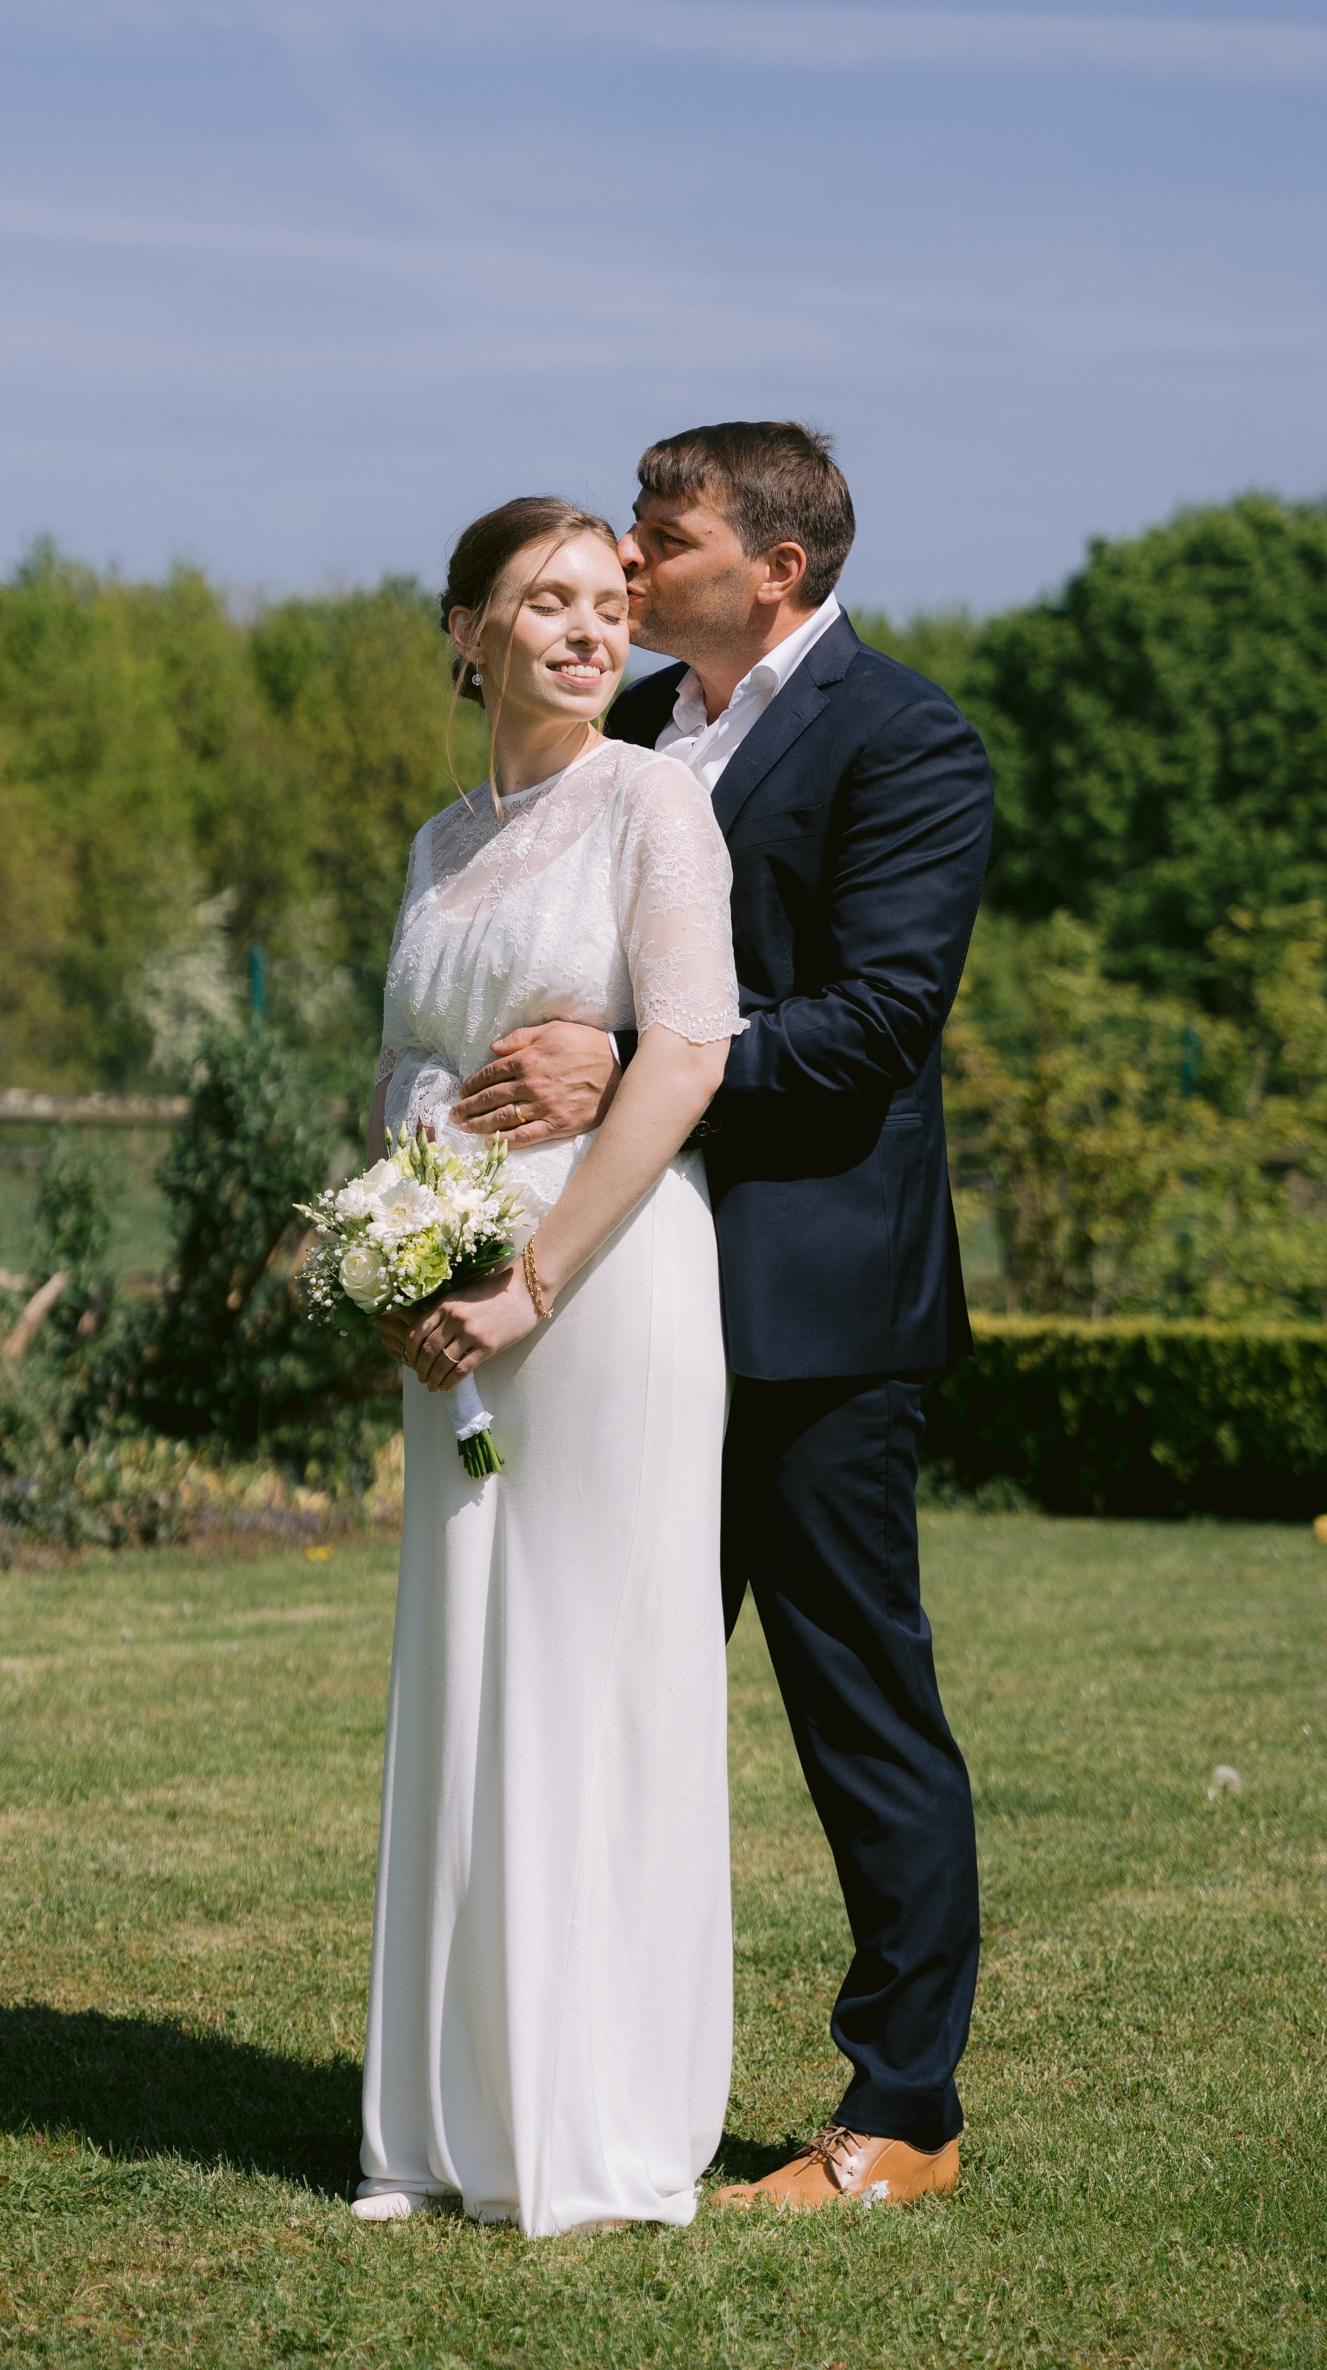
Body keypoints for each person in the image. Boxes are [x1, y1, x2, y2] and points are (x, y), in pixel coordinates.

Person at [452, 422, 992, 2216]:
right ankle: (589, 2085)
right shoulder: (624, 746)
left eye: (658, 532)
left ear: (772, 567)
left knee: (857, 1709)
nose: (626, 550)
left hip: (816, 1315)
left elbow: (873, 1023)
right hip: (630, 1309)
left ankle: (902, 2107)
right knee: (609, 1693)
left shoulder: (905, 739)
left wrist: (636, 1068)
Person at [354, 496, 743, 2236]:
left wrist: (533, 1276)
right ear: (468, 632)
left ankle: (600, 2118)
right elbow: (398, 1061)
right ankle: (448, 2119)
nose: (593, 630)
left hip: (604, 1276)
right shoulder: (442, 839)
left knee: (595, 1665)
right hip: (448, 1290)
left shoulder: (651, 799)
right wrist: (399, 1242)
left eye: (612, 604)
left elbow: (686, 1055)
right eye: (548, 602)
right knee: (468, 1660)